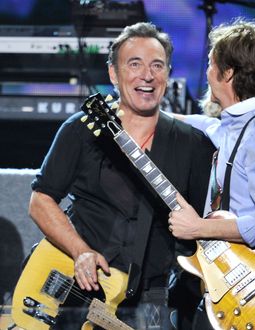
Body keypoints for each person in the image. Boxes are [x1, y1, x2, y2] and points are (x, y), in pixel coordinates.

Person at [28, 22, 215, 329]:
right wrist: (80, 251)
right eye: (134, 64)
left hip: (153, 299)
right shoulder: (81, 130)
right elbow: (40, 200)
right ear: (113, 74)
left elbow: (200, 228)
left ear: (167, 75)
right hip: (82, 289)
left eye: (157, 65)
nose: (147, 75)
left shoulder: (193, 144)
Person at [167, 18, 255, 328]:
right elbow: (212, 128)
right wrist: (151, 114)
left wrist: (201, 228)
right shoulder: (241, 123)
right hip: (225, 283)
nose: (206, 72)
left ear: (227, 73)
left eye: (210, 64)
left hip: (251, 291)